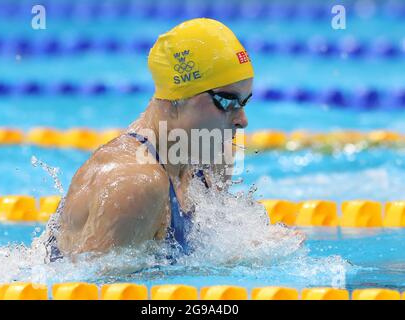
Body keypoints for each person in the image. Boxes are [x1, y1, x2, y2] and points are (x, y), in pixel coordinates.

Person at [45, 18, 292, 262]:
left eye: (244, 102)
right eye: (227, 102)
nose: (242, 119)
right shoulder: (134, 184)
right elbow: (92, 291)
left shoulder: (213, 159)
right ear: (178, 98)